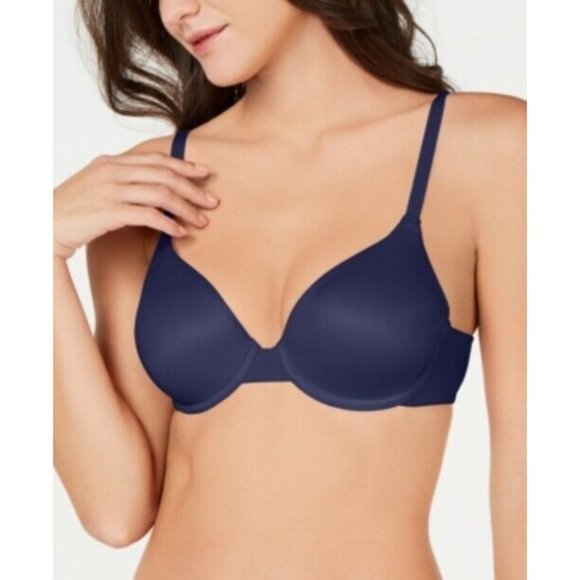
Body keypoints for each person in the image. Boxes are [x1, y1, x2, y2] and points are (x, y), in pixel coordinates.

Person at [53, 1, 526, 578]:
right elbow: (114, 512)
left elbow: (532, 472)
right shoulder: (148, 186)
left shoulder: (489, 148)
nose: (178, 10)